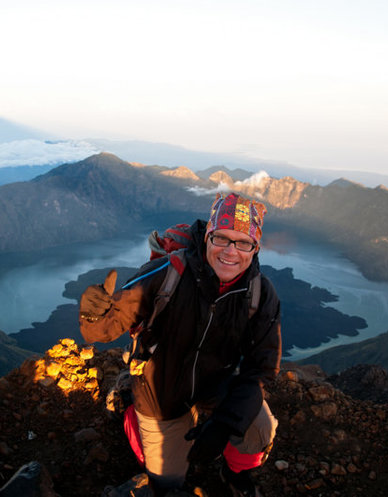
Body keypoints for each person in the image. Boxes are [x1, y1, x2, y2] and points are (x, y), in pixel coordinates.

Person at [79, 192, 281, 496]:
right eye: (221, 239)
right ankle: (129, 409)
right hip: (161, 393)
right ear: (207, 238)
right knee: (167, 483)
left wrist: (225, 423)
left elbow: (261, 369)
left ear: (255, 248)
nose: (231, 252)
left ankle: (235, 474)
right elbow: (109, 325)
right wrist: (93, 315)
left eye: (243, 243)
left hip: (215, 387)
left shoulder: (259, 294)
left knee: (260, 428)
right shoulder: (170, 274)